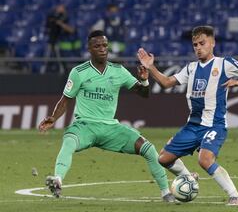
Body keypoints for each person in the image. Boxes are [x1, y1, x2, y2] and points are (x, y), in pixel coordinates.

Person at [38, 30, 176, 202]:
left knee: (148, 149)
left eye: (104, 45)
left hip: (111, 128)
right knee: (69, 141)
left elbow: (144, 94)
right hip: (85, 126)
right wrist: (53, 117)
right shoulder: (79, 72)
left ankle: (166, 193)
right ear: (89, 49)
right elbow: (65, 100)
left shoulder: (118, 71)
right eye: (97, 46)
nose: (102, 49)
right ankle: (57, 180)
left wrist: (144, 80)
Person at [137, 25, 238, 206]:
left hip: (214, 125)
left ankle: (236, 197)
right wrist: (151, 67)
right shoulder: (191, 68)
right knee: (163, 158)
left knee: (204, 160)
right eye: (195, 45)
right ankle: (188, 177)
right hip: (192, 126)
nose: (198, 48)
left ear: (212, 43)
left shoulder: (224, 64)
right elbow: (166, 83)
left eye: (202, 43)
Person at [43, 4, 81, 74]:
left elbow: (71, 30)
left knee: (74, 72)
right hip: (64, 51)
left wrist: (59, 23)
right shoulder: (58, 18)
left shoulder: (70, 18)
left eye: (60, 8)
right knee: (66, 71)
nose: (58, 10)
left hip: (73, 51)